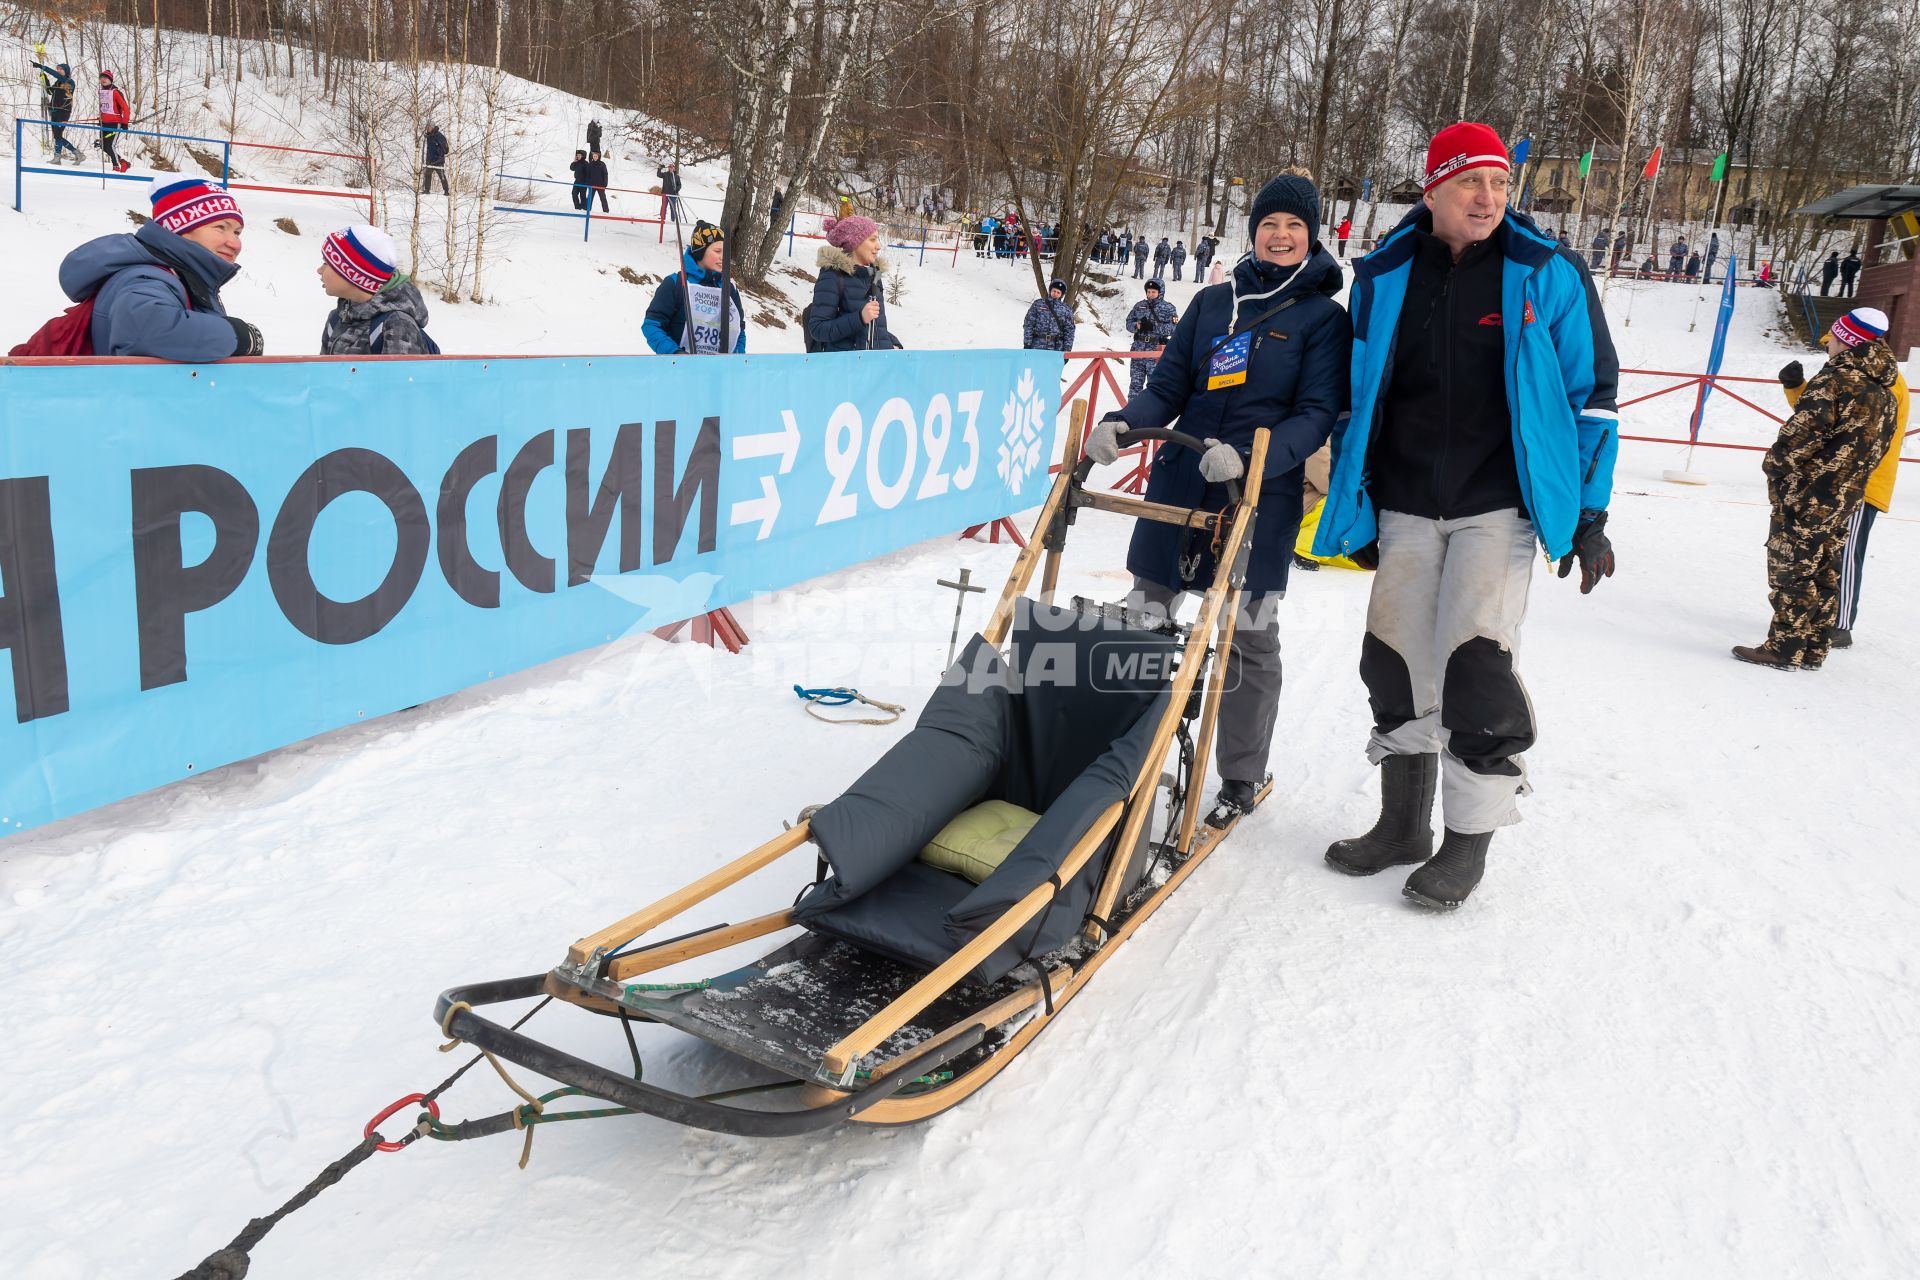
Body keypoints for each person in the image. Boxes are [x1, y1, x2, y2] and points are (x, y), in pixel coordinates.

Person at [1313, 122, 1620, 911]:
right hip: (1406, 502)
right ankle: (1402, 826)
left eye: (1499, 184)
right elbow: (1356, 396)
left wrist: (1588, 513)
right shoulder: (1383, 278)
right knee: (1393, 658)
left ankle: (1466, 842)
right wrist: (1349, 489)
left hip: (1499, 506)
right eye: (1470, 183)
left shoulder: (1545, 273)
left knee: (1474, 664)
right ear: (1434, 190)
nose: (1488, 198)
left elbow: (1595, 402)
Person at [1083, 171, 1351, 829]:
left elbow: (1317, 413)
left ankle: (1239, 774)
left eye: (1293, 225)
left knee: (1248, 635)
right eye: (1269, 225)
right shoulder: (1211, 302)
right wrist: (1124, 419)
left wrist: (1260, 453)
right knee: (1143, 614)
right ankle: (1108, 754)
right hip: (1180, 479)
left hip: (1258, 492)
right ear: (1253, 233)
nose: (1281, 236)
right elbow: (1168, 385)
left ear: (1310, 234)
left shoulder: (1324, 319)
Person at [1736, 308, 1900, 670]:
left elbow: (1801, 435)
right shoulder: (1884, 392)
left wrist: (1776, 470)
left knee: (1792, 569)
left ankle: (1784, 648)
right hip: (1846, 496)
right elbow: (1878, 447)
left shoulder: (1835, 381)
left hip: (1809, 494)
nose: (1829, 345)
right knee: (1825, 570)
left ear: (1846, 341)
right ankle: (1813, 649)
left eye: (1833, 338)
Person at [1777, 332, 1907, 650]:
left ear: (1849, 343)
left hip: (1863, 481)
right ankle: (1813, 618)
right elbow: (1826, 415)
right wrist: (1796, 388)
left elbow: (1860, 429)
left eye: (1830, 344)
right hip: (1836, 479)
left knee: (1846, 554)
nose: (1828, 350)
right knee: (1821, 551)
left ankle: (1841, 623)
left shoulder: (1884, 380)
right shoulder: (1847, 373)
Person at [56, 179, 263, 359]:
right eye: (221, 227)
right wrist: (236, 335)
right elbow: (144, 331)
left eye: (237, 232)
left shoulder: (180, 277)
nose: (234, 243)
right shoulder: (148, 278)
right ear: (179, 229)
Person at [316, 224, 433, 355]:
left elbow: (404, 375)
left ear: (353, 274)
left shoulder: (397, 326)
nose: (319, 270)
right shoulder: (337, 318)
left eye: (326, 263)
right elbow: (323, 375)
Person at [644, 220, 747, 355]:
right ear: (700, 252)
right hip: (680, 369)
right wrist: (674, 353)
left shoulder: (729, 289)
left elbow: (739, 329)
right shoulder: (675, 283)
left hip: (720, 370)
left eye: (726, 251)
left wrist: (737, 355)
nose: (723, 257)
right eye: (717, 251)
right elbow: (652, 325)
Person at [806, 214, 902, 352]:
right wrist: (860, 318)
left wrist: (892, 344)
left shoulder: (874, 275)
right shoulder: (833, 275)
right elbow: (818, 329)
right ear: (855, 242)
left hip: (874, 365)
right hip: (847, 367)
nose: (878, 246)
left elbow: (875, 326)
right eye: (872, 239)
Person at [1122, 277, 1177, 397]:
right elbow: (1128, 324)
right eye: (1148, 291)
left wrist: (1153, 326)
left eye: (1153, 292)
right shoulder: (1140, 306)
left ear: (1160, 292)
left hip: (1156, 353)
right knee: (1135, 386)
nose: (1150, 294)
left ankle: (1151, 414)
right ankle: (1132, 413)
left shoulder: (1168, 308)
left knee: (1155, 386)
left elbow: (1174, 329)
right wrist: (1137, 326)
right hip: (1138, 351)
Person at [31, 56, 84, 165]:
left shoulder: (69, 82)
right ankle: (76, 154)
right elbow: (50, 91)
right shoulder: (58, 83)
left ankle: (58, 157)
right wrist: (45, 78)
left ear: (66, 71)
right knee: (57, 136)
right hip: (54, 111)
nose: (58, 70)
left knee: (58, 134)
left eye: (61, 69)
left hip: (64, 112)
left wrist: (43, 67)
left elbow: (56, 75)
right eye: (57, 68)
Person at [1022, 279, 1076, 351]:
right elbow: (1029, 324)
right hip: (1037, 346)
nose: (1055, 294)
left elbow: (1069, 330)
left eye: (1058, 292)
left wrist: (1067, 350)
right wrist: (1027, 344)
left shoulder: (1066, 309)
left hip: (1056, 348)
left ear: (1061, 294)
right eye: (1054, 291)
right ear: (1050, 290)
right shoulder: (1038, 304)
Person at [97, 70, 130, 172]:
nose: (103, 80)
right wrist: (101, 119)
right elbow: (103, 108)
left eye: (106, 78)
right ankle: (123, 162)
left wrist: (125, 122)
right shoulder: (101, 92)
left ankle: (116, 166)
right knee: (103, 145)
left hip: (115, 124)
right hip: (104, 123)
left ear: (110, 80)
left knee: (110, 145)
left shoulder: (115, 92)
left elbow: (126, 108)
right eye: (101, 78)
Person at [422, 122, 449, 194]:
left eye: (429, 127)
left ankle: (446, 191)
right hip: (430, 160)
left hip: (438, 160)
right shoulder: (429, 136)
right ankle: (427, 190)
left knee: (442, 176)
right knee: (427, 175)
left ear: (433, 127)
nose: (428, 128)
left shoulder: (439, 136)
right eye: (427, 127)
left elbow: (446, 150)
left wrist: (438, 153)